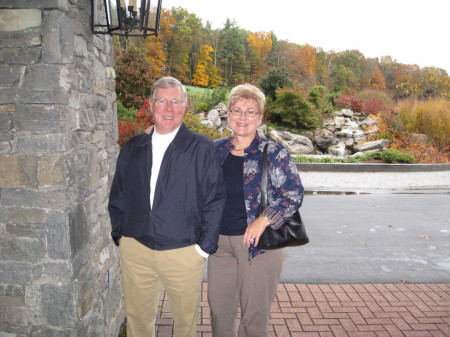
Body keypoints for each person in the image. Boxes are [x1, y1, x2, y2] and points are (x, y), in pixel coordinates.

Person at [108, 76, 226, 337]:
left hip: (183, 252)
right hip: (136, 248)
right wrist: (121, 234)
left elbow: (215, 199)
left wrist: (203, 248)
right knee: (137, 321)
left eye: (176, 101)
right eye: (162, 100)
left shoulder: (201, 148)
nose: (169, 108)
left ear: (185, 106)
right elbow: (119, 194)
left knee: (185, 324)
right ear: (151, 105)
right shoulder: (134, 147)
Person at [208, 84, 304, 337]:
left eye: (250, 112)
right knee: (219, 312)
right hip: (219, 245)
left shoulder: (274, 153)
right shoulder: (214, 150)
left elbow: (293, 193)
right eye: (237, 110)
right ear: (228, 114)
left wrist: (264, 219)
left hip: (260, 245)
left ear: (260, 118)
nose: (242, 117)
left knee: (254, 317)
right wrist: (155, 134)